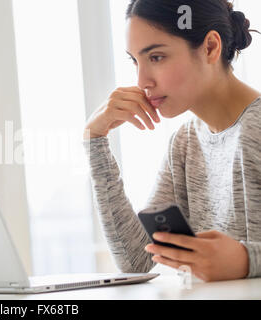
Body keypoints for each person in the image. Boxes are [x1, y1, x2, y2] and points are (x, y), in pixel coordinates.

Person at [82, 0, 261, 282]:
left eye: (156, 57)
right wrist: (95, 140)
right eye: (135, 61)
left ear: (210, 48)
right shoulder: (186, 142)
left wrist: (245, 260)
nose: (142, 81)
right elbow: (137, 262)